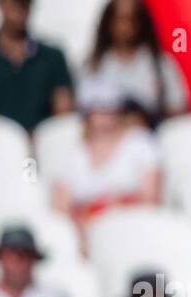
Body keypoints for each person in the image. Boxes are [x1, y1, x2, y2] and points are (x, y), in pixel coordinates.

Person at [51, 77, 161, 231]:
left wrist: (113, 209)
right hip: (86, 231)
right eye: (98, 109)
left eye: (109, 109)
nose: (104, 116)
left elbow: (151, 200)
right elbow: (61, 210)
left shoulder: (140, 143)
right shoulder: (71, 151)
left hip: (133, 227)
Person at [81, 0, 189, 126]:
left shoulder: (160, 64)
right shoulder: (94, 64)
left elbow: (178, 109)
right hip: (105, 138)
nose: (126, 27)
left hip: (150, 136)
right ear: (108, 23)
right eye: (120, 19)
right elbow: (84, 111)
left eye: (132, 20)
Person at [0, 0, 74, 131]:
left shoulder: (52, 57)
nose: (19, 7)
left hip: (41, 145)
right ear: (1, 4)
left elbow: (64, 116)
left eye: (25, 2)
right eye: (14, 2)